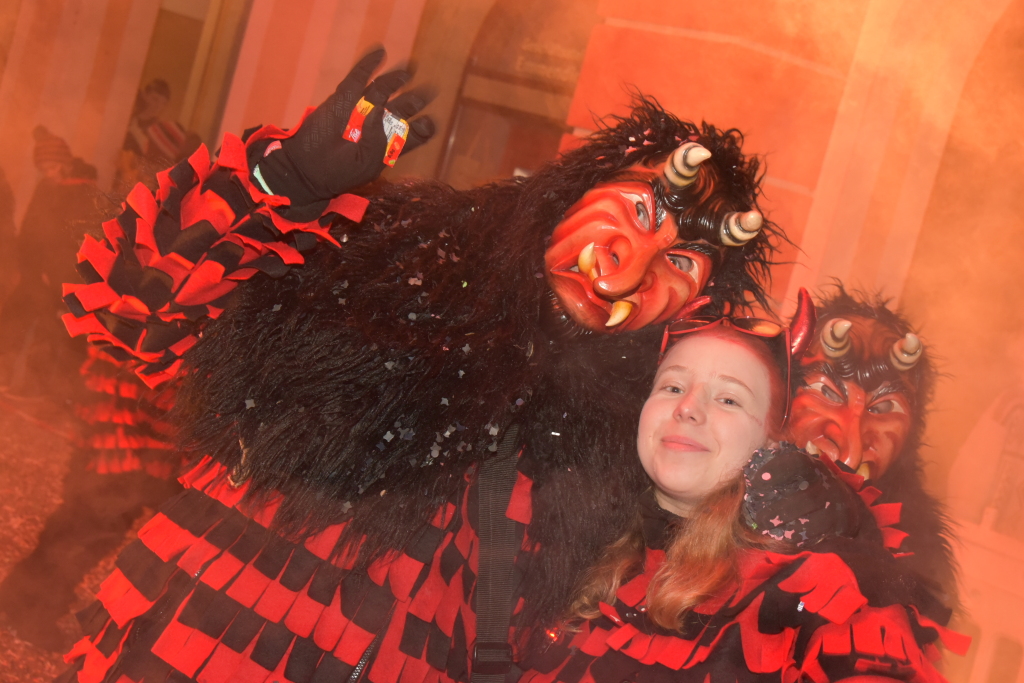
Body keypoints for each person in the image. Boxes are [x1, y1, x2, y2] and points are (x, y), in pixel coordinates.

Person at [56, 49, 854, 682]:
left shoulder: (635, 424)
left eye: (681, 259)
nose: (630, 261)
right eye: (641, 209)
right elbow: (120, 308)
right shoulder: (392, 249)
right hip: (191, 647)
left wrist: (797, 536)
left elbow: (661, 620)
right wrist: (286, 178)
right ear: (578, 186)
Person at [517, 318, 967, 683]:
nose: (687, 407)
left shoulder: (810, 589)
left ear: (775, 438)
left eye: (729, 399)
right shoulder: (578, 542)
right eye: (672, 387)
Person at [786, 287, 956, 608]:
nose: (852, 450)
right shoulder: (699, 502)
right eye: (828, 392)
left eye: (881, 408)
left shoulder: (915, 581)